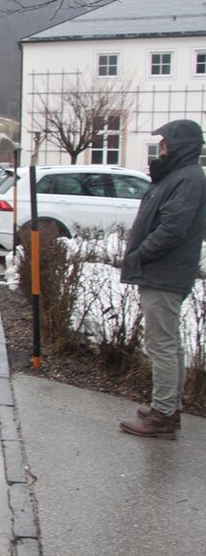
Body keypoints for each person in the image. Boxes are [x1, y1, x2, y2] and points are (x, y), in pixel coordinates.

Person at [119, 119, 206, 439]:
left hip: (164, 271)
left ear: (181, 146)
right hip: (163, 270)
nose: (161, 148)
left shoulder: (188, 179)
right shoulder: (178, 175)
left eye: (166, 143)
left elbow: (172, 228)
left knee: (161, 344)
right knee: (168, 342)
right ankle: (169, 407)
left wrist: (141, 254)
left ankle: (163, 416)